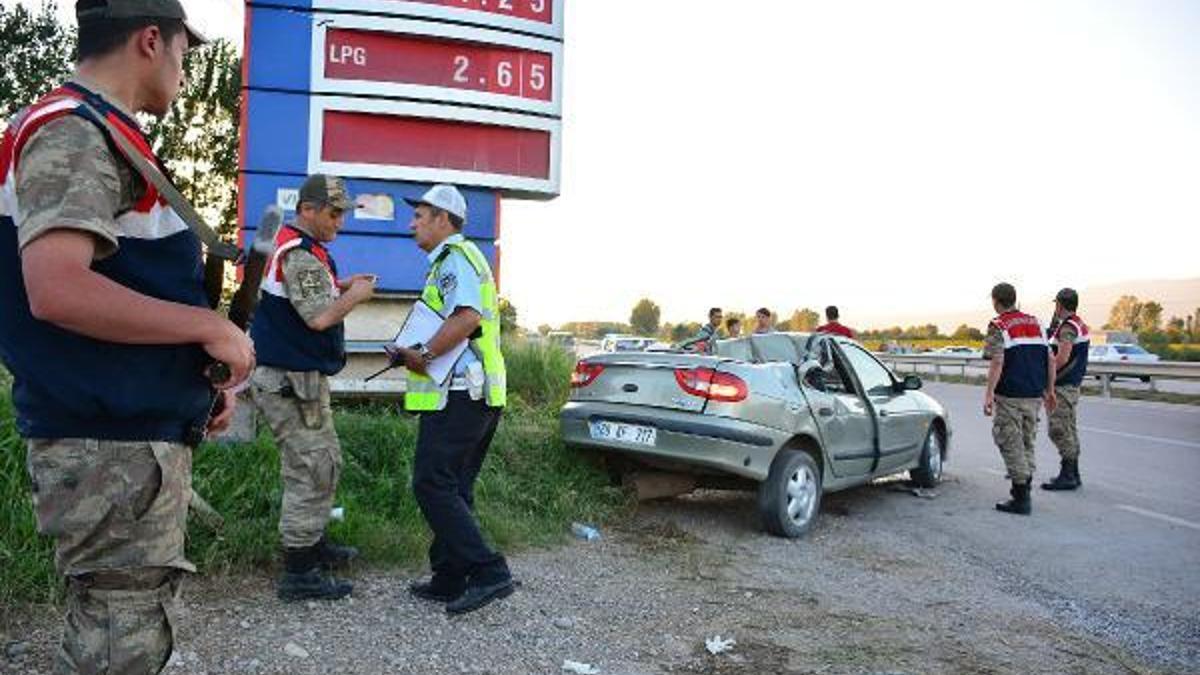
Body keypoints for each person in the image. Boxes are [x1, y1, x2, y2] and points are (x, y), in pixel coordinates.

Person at [0, 2, 255, 671]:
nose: (182, 66)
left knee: (113, 627)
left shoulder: (96, 131)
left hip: (120, 436)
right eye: (182, 50)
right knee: (119, 640)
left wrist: (190, 376)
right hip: (109, 447)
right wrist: (207, 325)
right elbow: (56, 288)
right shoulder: (74, 131)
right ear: (150, 40)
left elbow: (121, 289)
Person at [249, 174, 376, 601]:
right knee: (311, 468)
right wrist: (355, 295)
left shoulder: (298, 249)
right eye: (334, 212)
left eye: (343, 212)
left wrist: (338, 285)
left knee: (323, 462)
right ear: (308, 210)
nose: (340, 221)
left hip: (295, 379)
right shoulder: (300, 254)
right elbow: (319, 318)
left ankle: (313, 544)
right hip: (290, 380)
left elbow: (300, 298)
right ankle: (300, 572)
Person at [388, 184, 513, 615]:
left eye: (419, 215)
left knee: (431, 482)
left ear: (443, 219)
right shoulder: (459, 259)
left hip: (461, 391)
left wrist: (421, 354)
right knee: (453, 487)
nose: (411, 223)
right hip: (476, 391)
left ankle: (488, 571)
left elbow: (467, 317)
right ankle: (450, 576)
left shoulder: (453, 258)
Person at [982, 283, 1056, 515]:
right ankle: (1023, 486)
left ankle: (1021, 496)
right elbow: (1051, 359)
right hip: (1034, 394)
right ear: (1015, 299)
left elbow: (997, 361)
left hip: (1010, 395)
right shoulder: (1037, 323)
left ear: (996, 301)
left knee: (1009, 441)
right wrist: (1050, 390)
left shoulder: (998, 325)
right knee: (1027, 441)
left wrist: (989, 393)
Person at [1042, 288, 1089, 491]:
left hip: (1062, 385)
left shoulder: (1068, 328)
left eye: (1056, 305)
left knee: (1059, 429)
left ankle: (1068, 475)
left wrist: (1046, 375)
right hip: (1071, 384)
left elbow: (1062, 358)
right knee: (1069, 429)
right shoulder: (1077, 323)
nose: (1055, 309)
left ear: (1060, 305)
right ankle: (1072, 473)